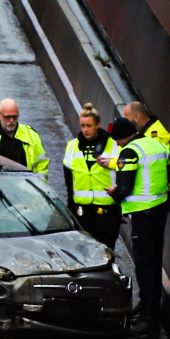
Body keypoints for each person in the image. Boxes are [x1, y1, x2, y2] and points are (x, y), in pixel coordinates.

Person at [112, 117, 170, 334]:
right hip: (159, 211)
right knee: (154, 263)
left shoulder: (130, 151)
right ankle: (149, 307)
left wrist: (115, 193)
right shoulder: (156, 145)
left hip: (144, 217)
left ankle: (148, 317)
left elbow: (124, 187)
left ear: (121, 138)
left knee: (145, 266)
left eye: (117, 141)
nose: (118, 145)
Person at [62, 104, 121, 247]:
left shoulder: (113, 145)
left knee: (106, 251)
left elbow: (125, 169)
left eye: (89, 125)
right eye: (82, 126)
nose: (85, 130)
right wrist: (71, 205)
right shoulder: (72, 145)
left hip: (107, 212)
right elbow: (68, 178)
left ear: (98, 125)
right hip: (82, 211)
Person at [0, 97, 48, 174]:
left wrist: (39, 183)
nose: (11, 121)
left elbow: (42, 164)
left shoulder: (31, 135)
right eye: (7, 117)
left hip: (25, 184)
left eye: (15, 117)